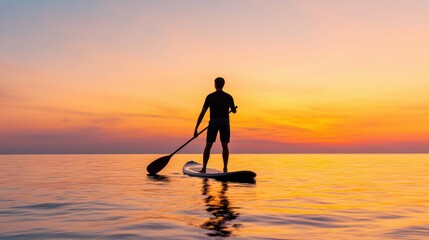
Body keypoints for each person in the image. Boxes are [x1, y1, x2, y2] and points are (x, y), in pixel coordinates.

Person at [194, 77, 237, 173]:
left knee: (208, 145)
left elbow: (202, 113)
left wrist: (196, 128)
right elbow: (234, 111)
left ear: (215, 84)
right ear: (223, 84)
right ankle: (225, 168)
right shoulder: (229, 97)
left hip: (214, 122)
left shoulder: (210, 97)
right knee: (225, 145)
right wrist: (234, 109)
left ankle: (204, 168)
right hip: (225, 122)